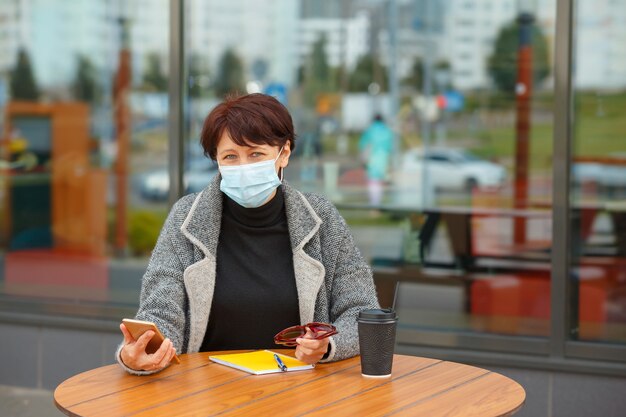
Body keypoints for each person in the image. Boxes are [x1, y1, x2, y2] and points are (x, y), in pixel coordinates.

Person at [117, 93, 380, 375]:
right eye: (230, 156)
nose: (243, 167)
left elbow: (362, 313)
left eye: (255, 154)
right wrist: (142, 351)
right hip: (206, 392)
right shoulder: (186, 218)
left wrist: (328, 346)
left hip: (300, 391)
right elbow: (160, 311)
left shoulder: (321, 219)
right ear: (216, 160)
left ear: (285, 153)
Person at [358, 114, 394, 206]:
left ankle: (374, 204)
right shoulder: (387, 131)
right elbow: (390, 147)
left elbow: (362, 144)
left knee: (373, 182)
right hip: (383, 158)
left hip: (372, 159)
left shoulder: (370, 130)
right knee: (379, 182)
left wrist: (363, 157)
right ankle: (378, 203)